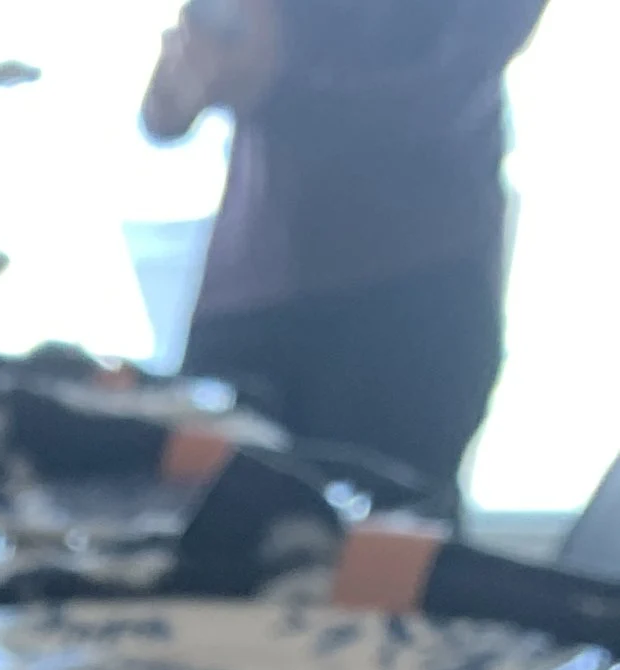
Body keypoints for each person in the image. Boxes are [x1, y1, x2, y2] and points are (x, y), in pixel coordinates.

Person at [143, 0, 548, 500]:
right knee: (182, 533)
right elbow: (167, 107)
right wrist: (200, 71)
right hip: (250, 298)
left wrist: (268, 84)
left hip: (408, 303)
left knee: (386, 548)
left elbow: (447, 86)